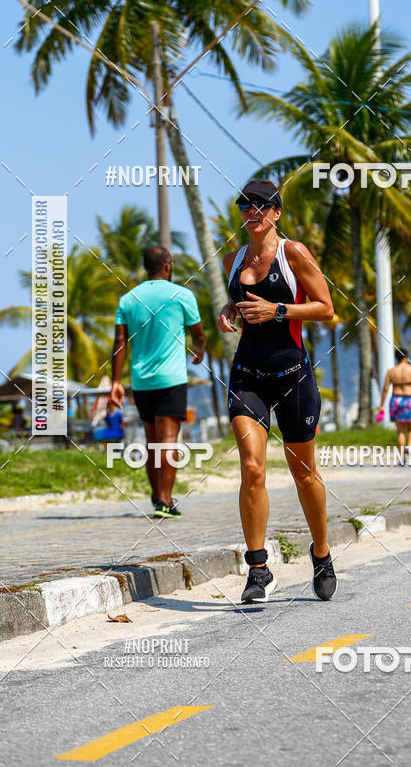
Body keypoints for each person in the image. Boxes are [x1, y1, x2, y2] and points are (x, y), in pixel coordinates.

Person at [218, 179, 337, 604]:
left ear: (276, 213)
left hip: (293, 377)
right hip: (247, 375)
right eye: (245, 206)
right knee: (252, 467)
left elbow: (326, 308)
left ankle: (321, 554)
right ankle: (258, 568)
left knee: (304, 474)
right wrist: (230, 310)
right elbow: (243, 301)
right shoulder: (232, 260)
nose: (252, 212)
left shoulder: (294, 253)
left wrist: (278, 310)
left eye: (261, 206)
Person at [111, 245, 206, 518]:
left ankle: (157, 497)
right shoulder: (182, 295)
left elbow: (119, 342)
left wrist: (116, 381)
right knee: (168, 440)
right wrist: (199, 351)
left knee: (152, 440)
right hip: (171, 378)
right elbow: (198, 334)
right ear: (167, 265)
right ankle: (165, 501)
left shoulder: (128, 299)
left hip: (141, 381)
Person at [378, 347, 411, 463]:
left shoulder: (391, 371)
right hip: (410, 399)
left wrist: (382, 405)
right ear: (406, 357)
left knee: (400, 430)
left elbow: (385, 389)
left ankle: (402, 459)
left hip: (396, 400)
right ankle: (410, 447)